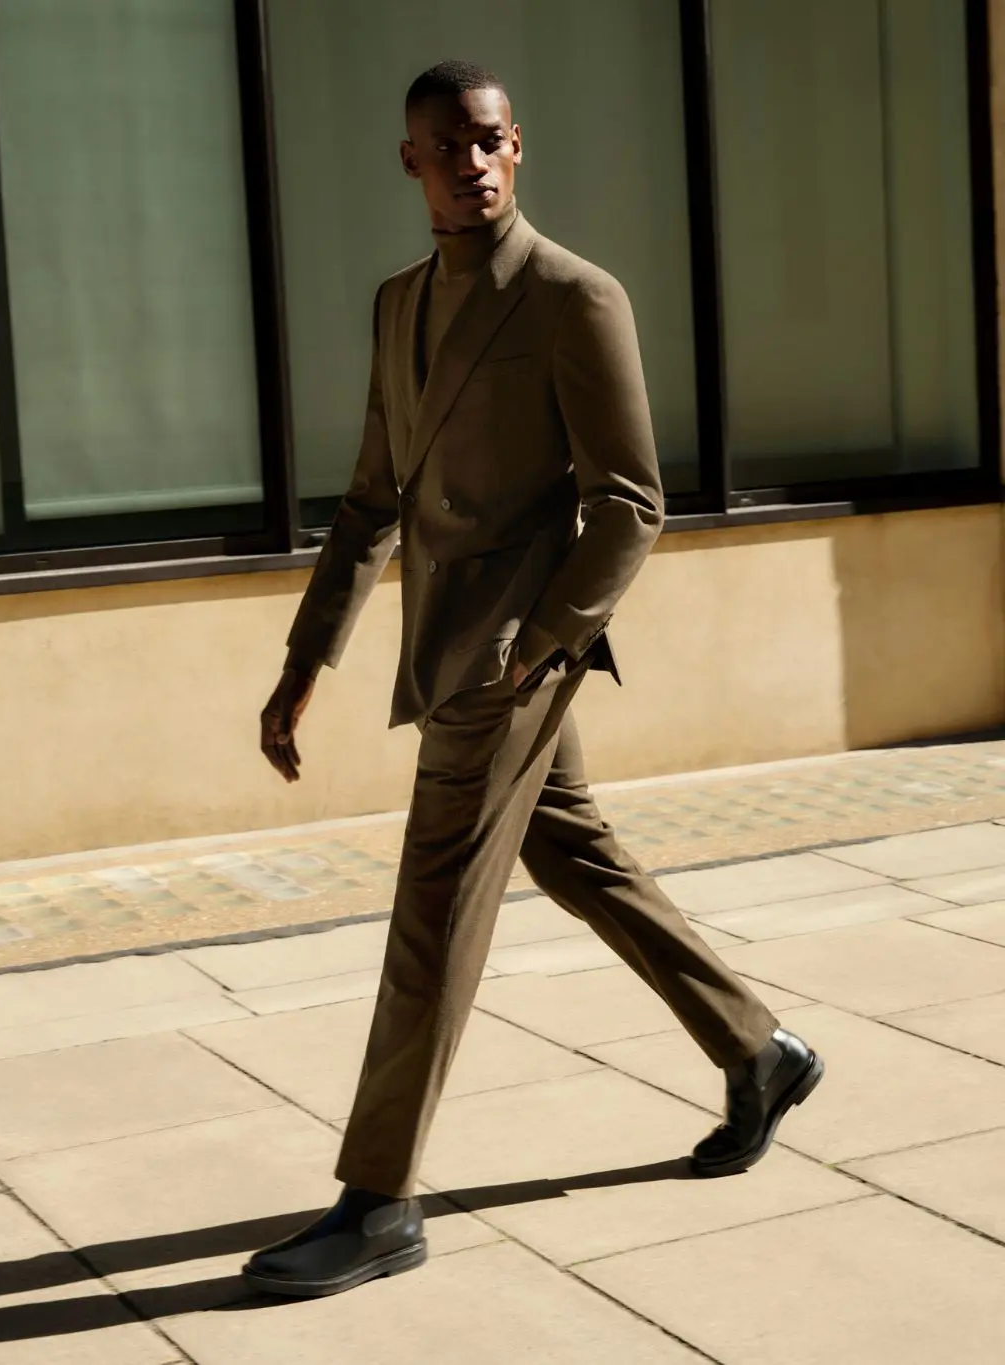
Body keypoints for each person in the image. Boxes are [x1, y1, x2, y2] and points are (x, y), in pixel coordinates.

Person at [246, 60, 823, 1300]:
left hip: (513, 653)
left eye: (493, 141)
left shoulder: (574, 297)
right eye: (449, 144)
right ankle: (758, 1048)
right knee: (572, 852)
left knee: (432, 910)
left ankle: (378, 1199)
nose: (474, 161)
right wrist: (306, 661)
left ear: (520, 149)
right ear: (411, 162)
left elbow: (631, 502)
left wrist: (542, 641)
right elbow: (367, 504)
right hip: (438, 643)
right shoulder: (397, 304)